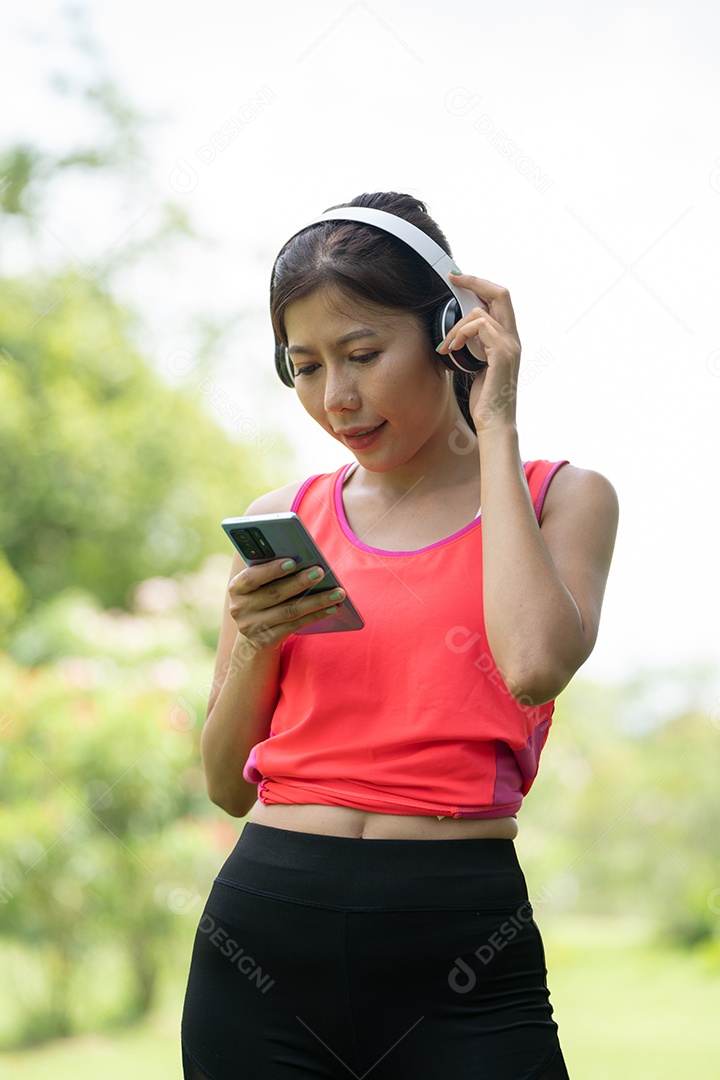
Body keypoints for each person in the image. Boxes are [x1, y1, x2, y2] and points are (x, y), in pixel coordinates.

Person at [180, 191, 618, 1080]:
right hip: (262, 938)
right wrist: (259, 642)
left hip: (458, 947)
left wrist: (495, 420)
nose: (337, 397)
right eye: (303, 366)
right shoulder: (282, 519)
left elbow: (533, 665)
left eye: (364, 354)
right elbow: (227, 784)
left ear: (452, 332)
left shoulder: (560, 499)